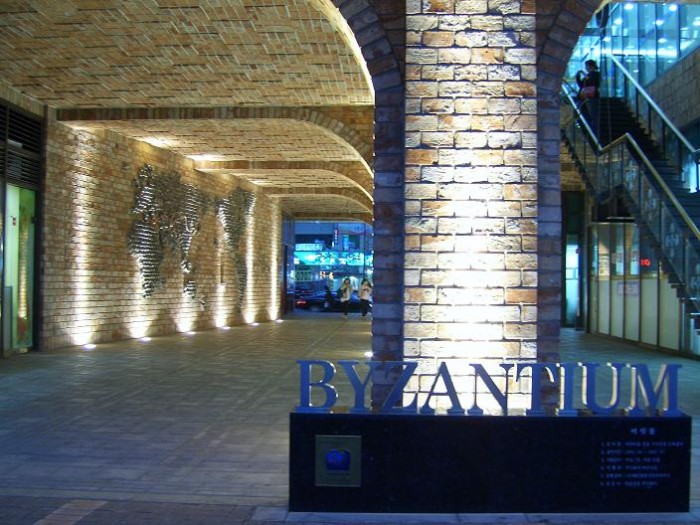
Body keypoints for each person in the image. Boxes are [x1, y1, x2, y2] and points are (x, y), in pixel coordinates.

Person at [576, 59, 601, 135]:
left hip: (592, 97)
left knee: (593, 114)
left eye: (587, 66)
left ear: (591, 66)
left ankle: (594, 132)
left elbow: (592, 82)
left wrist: (586, 76)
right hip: (585, 97)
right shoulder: (588, 75)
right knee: (580, 110)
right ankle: (586, 128)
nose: (586, 68)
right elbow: (582, 85)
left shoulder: (595, 74)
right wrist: (578, 77)